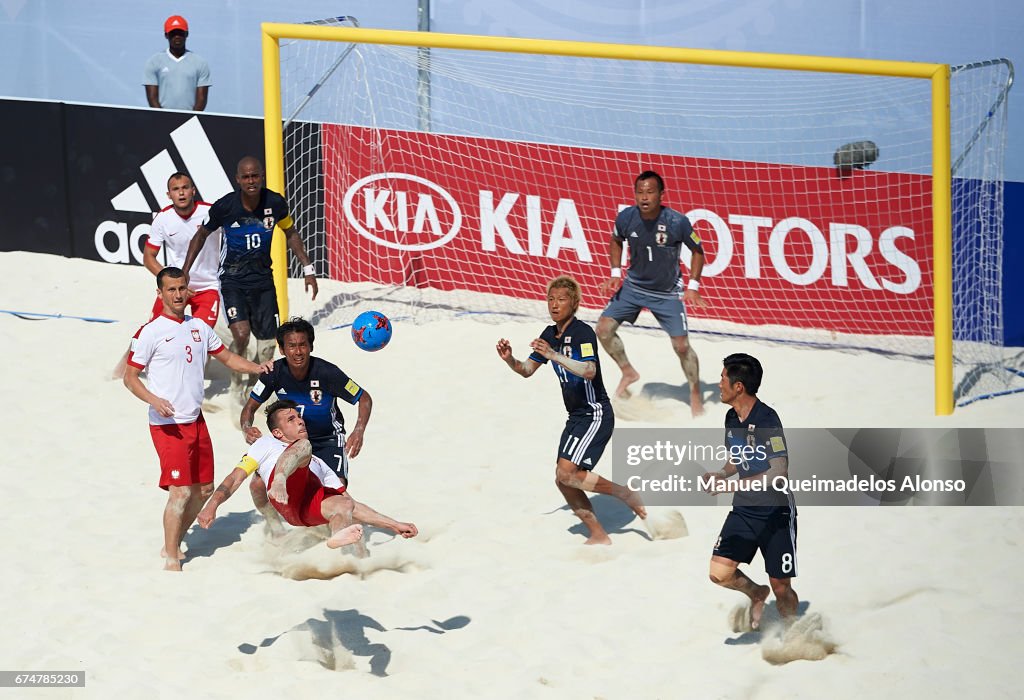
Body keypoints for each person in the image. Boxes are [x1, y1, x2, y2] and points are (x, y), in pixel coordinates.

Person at [123, 266, 273, 572]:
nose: (178, 295)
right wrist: (154, 400)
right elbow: (130, 378)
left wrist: (257, 368)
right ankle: (170, 556)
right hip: (168, 426)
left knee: (204, 489)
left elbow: (228, 358)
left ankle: (175, 539)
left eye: (182, 288)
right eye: (171, 290)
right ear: (160, 294)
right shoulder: (149, 332)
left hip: (195, 420)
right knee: (180, 492)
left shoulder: (199, 328)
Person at [496, 275, 647, 544]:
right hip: (576, 417)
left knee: (567, 474)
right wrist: (510, 360)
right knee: (564, 480)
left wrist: (554, 355)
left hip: (596, 413)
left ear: (574, 303)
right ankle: (599, 534)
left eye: (561, 299)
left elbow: (590, 371)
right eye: (550, 299)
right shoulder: (548, 334)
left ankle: (625, 493)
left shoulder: (583, 333)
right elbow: (527, 371)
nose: (554, 305)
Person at [182, 156, 319, 404]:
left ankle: (257, 385)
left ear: (262, 176)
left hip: (264, 281)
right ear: (238, 180)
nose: (251, 181)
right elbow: (201, 235)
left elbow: (290, 232)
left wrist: (308, 268)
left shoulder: (275, 203)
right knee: (243, 335)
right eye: (245, 177)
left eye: (255, 175)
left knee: (267, 345)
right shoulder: (225, 207)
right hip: (232, 279)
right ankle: (237, 386)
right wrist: (185, 270)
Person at [197, 399, 418, 550]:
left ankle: (337, 535)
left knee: (343, 504)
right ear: (277, 432)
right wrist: (212, 505)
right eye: (290, 419)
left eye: (298, 417)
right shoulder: (265, 444)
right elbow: (234, 478)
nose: (300, 420)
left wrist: (394, 525)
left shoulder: (318, 463)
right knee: (301, 448)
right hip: (280, 488)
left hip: (302, 511)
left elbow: (353, 505)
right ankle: (280, 482)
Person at [240, 317, 372, 533]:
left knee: (335, 493)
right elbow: (249, 409)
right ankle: (275, 526)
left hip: (326, 440)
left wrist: (359, 431)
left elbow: (364, 398)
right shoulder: (273, 373)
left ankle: (332, 540)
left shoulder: (328, 373)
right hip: (290, 441)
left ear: (311, 346)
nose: (298, 351)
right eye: (291, 346)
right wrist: (247, 427)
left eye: (303, 345)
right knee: (256, 484)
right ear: (282, 349)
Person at [597, 170, 708, 416]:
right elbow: (616, 240)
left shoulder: (677, 222)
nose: (644, 197)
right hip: (634, 287)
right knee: (603, 329)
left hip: (667, 293)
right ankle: (628, 371)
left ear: (661, 194)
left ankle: (694, 391)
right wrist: (616, 273)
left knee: (681, 346)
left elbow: (698, 251)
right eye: (640, 192)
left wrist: (693, 287)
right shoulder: (626, 217)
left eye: (650, 192)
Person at [700, 353, 798, 631]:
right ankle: (756, 593)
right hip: (744, 508)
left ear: (738, 386)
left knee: (781, 587)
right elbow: (737, 458)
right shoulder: (732, 417)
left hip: (775, 511)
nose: (718, 384)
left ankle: (793, 632)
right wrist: (720, 473)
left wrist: (731, 485)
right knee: (719, 574)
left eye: (722, 379)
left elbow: (779, 470)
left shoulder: (768, 419)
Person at [112, 172, 220, 379]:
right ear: (168, 194)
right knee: (149, 331)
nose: (181, 193)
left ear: (193, 190)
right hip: (175, 287)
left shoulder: (210, 212)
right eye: (176, 189)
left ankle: (191, 385)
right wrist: (171, 281)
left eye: (185, 188)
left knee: (200, 338)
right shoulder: (163, 218)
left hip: (207, 287)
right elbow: (148, 257)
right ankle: (122, 368)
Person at [143, 15, 211, 111]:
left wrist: (190, 121)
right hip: (162, 120)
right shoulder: (154, 62)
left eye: (180, 33)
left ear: (186, 34)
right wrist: (163, 118)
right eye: (173, 33)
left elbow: (202, 99)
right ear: (166, 35)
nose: (177, 37)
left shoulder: (200, 63)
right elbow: (152, 98)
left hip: (190, 121)